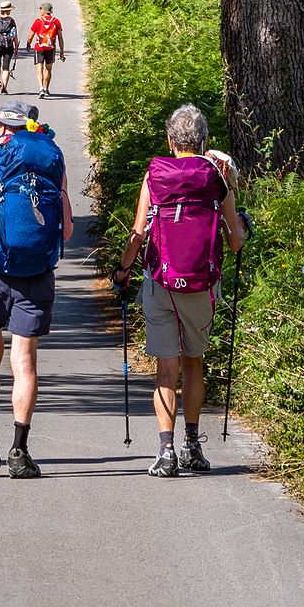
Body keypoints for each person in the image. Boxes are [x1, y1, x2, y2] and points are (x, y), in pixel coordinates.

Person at [112, 103, 245, 478]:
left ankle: (166, 451)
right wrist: (243, 228)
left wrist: (123, 271)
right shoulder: (217, 176)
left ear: (171, 141)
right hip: (202, 285)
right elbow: (235, 242)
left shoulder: (155, 175)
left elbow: (138, 233)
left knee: (165, 367)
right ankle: (192, 445)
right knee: (193, 362)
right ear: (204, 141)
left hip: (161, 281)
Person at [0, 99, 74, 479]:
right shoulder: (52, 160)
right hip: (36, 271)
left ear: (3, 129)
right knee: (24, 361)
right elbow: (67, 230)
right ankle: (19, 451)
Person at [27, 1, 65, 99]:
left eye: (40, 9)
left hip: (39, 48)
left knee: (39, 68)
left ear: (43, 10)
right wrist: (62, 51)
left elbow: (31, 36)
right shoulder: (56, 21)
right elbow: (60, 37)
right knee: (48, 69)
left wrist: (28, 44)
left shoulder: (38, 21)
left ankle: (41, 88)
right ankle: (46, 88)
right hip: (50, 48)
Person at [0, 0, 18, 94]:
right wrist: (16, 47)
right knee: (6, 67)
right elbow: (15, 36)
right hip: (8, 46)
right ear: (9, 10)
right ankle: (4, 88)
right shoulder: (11, 21)